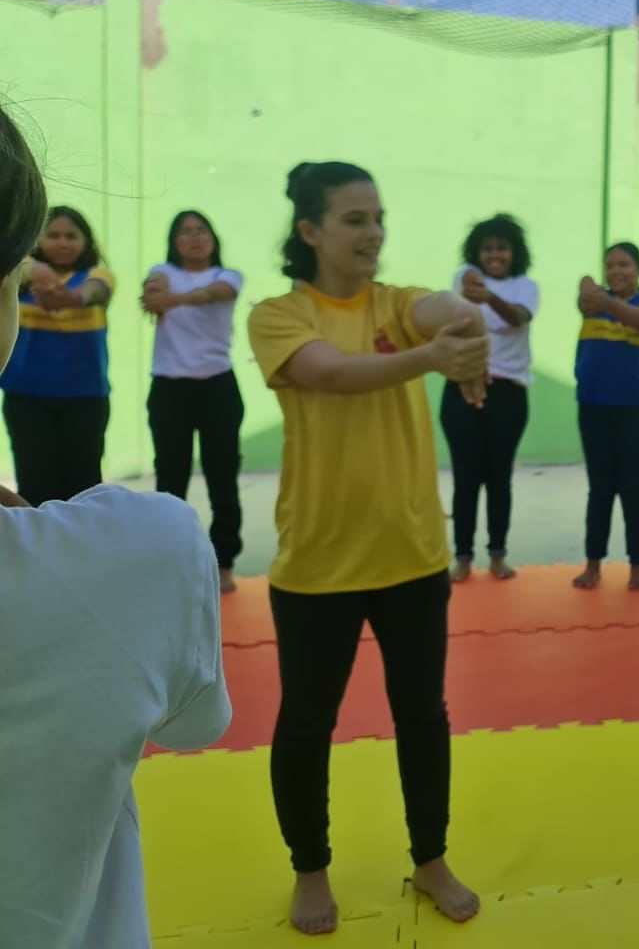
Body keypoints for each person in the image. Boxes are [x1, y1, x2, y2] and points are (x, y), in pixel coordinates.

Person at [0, 102, 231, 948]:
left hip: (96, 400)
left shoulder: (111, 279)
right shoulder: (149, 550)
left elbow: (105, 289)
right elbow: (197, 724)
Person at [247, 161, 487, 935]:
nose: (372, 232)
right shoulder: (279, 315)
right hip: (318, 564)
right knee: (306, 723)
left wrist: (467, 325)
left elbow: (444, 309)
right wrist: (434, 359)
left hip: (412, 554)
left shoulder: (398, 302)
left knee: (423, 715)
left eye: (378, 217)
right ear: (311, 231)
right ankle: (310, 868)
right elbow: (331, 374)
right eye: (354, 219)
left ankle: (431, 859)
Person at [141, 210, 246, 592]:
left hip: (217, 386)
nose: (195, 237)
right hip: (170, 388)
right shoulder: (161, 270)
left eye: (201, 230)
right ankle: (170, 561)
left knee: (223, 477)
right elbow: (152, 297)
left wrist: (174, 299)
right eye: (185, 232)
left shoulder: (228, 275)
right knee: (170, 478)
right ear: (174, 241)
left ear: (213, 238)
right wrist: (163, 296)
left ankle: (224, 563)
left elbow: (219, 293)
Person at [441, 214, 539, 583]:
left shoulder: (526, 287)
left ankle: (498, 555)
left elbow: (518, 318)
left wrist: (490, 297)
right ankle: (463, 557)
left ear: (515, 252)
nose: (494, 255)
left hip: (508, 392)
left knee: (499, 478)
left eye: (502, 248)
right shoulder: (464, 279)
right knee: (465, 478)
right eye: (487, 248)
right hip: (463, 388)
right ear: (476, 252)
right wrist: (475, 283)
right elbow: (465, 281)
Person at [572, 242, 639, 592]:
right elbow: (584, 295)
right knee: (599, 489)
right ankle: (593, 563)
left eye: (624, 264)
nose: (616, 271)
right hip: (594, 407)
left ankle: (638, 566)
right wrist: (589, 287)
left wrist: (606, 302)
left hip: (637, 410)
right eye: (610, 265)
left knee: (632, 487)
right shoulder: (592, 303)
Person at [0, 205, 115, 504]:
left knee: (83, 486)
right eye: (53, 235)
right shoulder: (18, 279)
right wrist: (39, 272)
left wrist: (73, 298)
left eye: (71, 236)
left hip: (85, 399)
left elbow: (97, 290)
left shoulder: (97, 276)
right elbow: (23, 267)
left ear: (86, 241)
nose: (63, 243)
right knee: (34, 483)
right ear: (36, 239)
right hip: (26, 398)